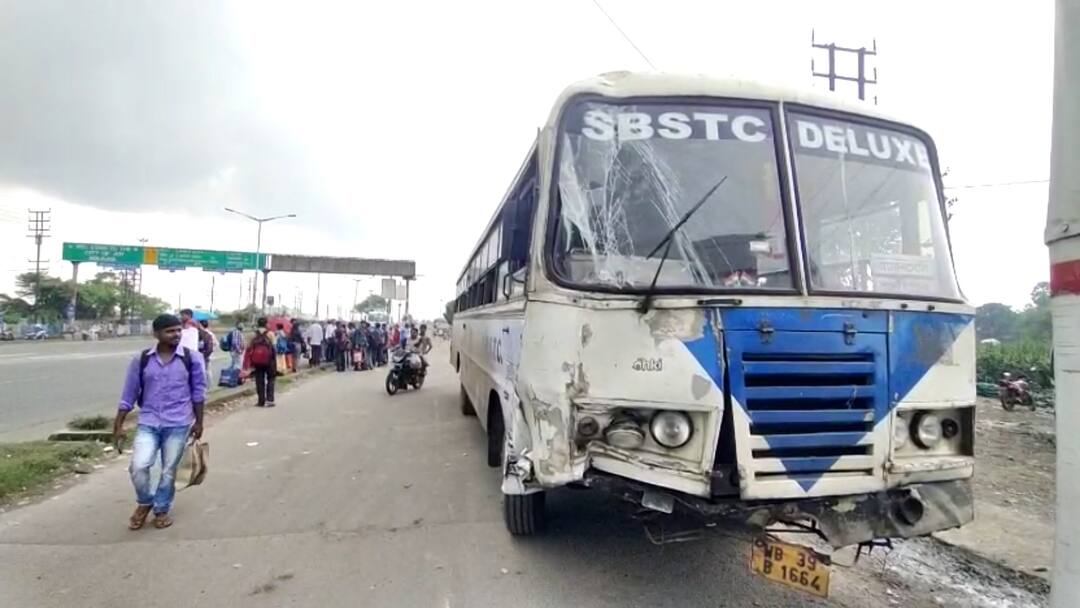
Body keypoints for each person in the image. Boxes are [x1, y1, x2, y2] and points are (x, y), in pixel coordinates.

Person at [113, 313, 206, 531]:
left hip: (179, 422)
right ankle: (145, 501)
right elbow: (129, 393)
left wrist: (199, 422)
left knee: (168, 470)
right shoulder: (142, 359)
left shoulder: (191, 358)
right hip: (149, 421)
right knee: (139, 466)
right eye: (170, 331)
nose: (176, 335)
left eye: (178, 330)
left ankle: (161, 508)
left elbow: (198, 393)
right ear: (157, 334)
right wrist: (118, 424)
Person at [243, 317, 278, 407]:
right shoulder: (270, 334)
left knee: (259, 380)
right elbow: (274, 347)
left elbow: (248, 347)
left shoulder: (252, 334)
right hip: (269, 360)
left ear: (257, 324)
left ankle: (261, 401)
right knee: (271, 379)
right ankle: (270, 400)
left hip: (257, 361)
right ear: (266, 324)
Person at [197, 319, 215, 385]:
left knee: (205, 371)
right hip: (207, 355)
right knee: (207, 370)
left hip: (205, 355)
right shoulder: (209, 333)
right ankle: (208, 384)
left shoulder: (207, 334)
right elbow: (215, 344)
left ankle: (207, 384)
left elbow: (211, 347)